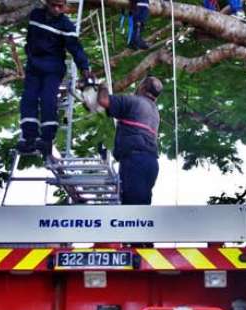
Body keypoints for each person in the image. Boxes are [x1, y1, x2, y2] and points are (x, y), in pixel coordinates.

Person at [17, 0, 94, 158]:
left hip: (53, 68)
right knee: (28, 99)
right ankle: (29, 138)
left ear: (65, 6)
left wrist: (85, 70)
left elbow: (76, 49)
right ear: (47, 4)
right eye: (54, 5)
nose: (57, 9)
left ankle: (46, 140)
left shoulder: (66, 25)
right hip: (33, 66)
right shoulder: (35, 15)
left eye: (61, 6)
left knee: (48, 99)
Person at [97, 76, 163, 204]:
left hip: (135, 162)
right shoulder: (155, 112)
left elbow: (103, 100)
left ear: (142, 87)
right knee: (139, 206)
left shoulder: (133, 101)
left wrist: (102, 85)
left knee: (132, 210)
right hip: (150, 163)